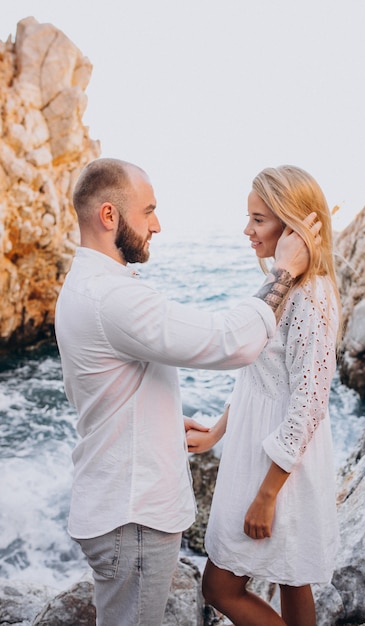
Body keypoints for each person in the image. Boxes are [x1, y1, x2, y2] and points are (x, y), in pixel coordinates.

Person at [54, 158, 321, 626]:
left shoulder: (86, 286)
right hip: (132, 517)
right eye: (148, 210)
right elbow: (227, 341)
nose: (157, 225)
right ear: (110, 216)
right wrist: (282, 273)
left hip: (116, 506)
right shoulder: (112, 298)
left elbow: (100, 388)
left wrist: (157, 422)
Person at [187, 165, 341, 626]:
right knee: (294, 580)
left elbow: (309, 402)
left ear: (291, 225)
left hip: (280, 466)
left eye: (258, 219)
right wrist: (216, 432)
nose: (247, 230)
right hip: (259, 452)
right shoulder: (284, 287)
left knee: (220, 586)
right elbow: (260, 377)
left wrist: (267, 494)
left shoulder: (310, 294)